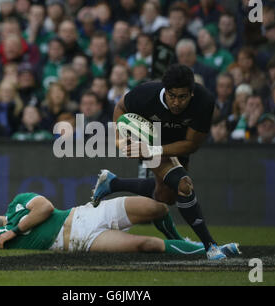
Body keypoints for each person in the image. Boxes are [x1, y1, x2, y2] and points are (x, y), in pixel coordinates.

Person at [93, 64, 227, 260]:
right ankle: (211, 246)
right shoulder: (146, 94)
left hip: (175, 145)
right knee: (184, 185)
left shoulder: (204, 101)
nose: (176, 102)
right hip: (148, 138)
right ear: (165, 90)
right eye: (172, 95)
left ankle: (113, 183)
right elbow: (120, 107)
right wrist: (119, 139)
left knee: (167, 196)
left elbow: (191, 144)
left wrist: (156, 149)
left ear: (191, 93)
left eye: (182, 97)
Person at [0, 191, 240, 257]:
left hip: (87, 214)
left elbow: (46, 207)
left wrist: (16, 229)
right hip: (80, 242)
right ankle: (211, 249)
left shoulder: (16, 204)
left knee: (157, 207)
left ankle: (190, 240)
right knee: (146, 245)